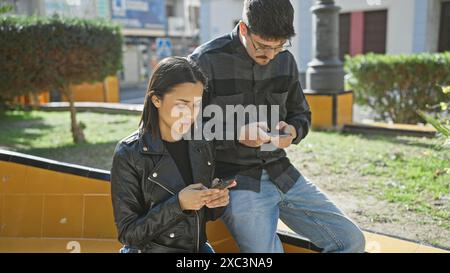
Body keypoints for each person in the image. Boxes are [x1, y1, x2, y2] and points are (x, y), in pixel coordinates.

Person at [189, 0, 365, 253]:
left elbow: (301, 114)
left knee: (352, 241)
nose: (270, 55)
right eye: (262, 46)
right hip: (235, 180)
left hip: (281, 171)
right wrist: (237, 134)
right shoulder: (204, 61)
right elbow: (185, 126)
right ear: (242, 30)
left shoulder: (285, 61)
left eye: (279, 46)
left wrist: (292, 132)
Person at [111, 57, 236, 253]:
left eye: (196, 105)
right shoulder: (129, 153)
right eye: (182, 104)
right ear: (156, 99)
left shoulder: (201, 142)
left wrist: (216, 201)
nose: (191, 113)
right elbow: (128, 234)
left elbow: (205, 216)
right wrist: (178, 204)